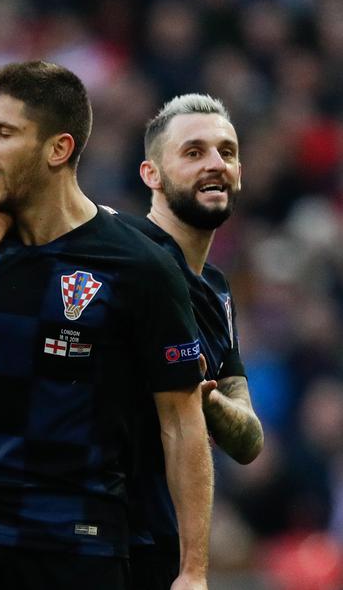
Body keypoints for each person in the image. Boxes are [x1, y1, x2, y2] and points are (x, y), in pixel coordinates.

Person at [0, 61, 213, 590]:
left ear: (58, 149)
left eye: (4, 132)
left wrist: (193, 570)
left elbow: (182, 424)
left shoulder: (138, 267)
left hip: (76, 544)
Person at [124, 94, 264, 589]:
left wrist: (206, 400)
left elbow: (249, 440)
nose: (215, 164)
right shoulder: (120, 254)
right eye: (194, 152)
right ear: (151, 174)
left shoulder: (218, 291)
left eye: (227, 152)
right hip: (94, 540)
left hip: (162, 543)